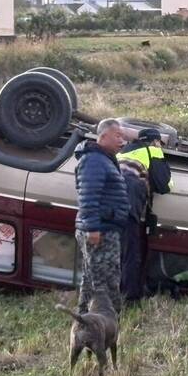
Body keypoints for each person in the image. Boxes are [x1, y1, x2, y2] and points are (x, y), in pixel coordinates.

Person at [74, 119, 129, 315]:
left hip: (107, 228)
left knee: (92, 279)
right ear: (103, 136)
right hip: (100, 230)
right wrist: (93, 228)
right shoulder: (94, 161)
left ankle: (84, 323)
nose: (122, 141)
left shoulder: (104, 159)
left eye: (123, 137)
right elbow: (88, 195)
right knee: (105, 282)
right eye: (118, 136)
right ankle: (104, 324)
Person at [117, 128, 173, 302]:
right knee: (130, 253)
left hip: (107, 200)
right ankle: (129, 298)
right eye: (159, 143)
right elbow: (164, 185)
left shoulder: (121, 152)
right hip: (128, 202)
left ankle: (103, 294)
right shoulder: (151, 151)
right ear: (154, 141)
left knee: (111, 250)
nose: (160, 146)